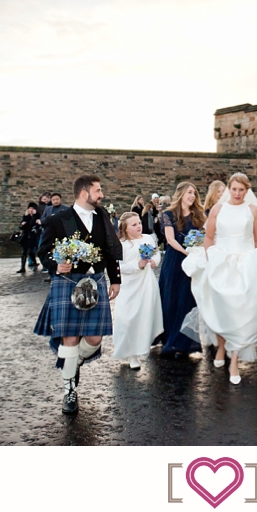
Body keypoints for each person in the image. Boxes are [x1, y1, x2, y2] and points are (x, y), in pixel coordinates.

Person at [34, 175, 122, 416]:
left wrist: (115, 279)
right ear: (85, 193)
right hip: (67, 281)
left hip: (95, 281)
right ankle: (69, 390)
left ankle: (74, 362)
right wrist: (55, 265)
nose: (101, 195)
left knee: (94, 339)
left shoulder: (102, 216)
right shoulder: (58, 220)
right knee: (70, 339)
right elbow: (43, 251)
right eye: (98, 190)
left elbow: (111, 248)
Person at [182, 173, 257, 385]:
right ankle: (221, 346)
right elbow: (209, 237)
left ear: (247, 191)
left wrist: (256, 257)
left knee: (240, 310)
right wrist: (211, 257)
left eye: (241, 190)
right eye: (234, 189)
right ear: (229, 189)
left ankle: (234, 359)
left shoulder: (252, 210)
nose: (237, 194)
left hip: (245, 261)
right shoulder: (218, 209)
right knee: (219, 306)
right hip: (221, 260)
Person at [158, 183, 204, 358]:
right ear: (181, 194)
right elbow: (170, 239)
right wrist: (187, 251)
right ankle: (170, 339)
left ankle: (183, 342)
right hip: (174, 260)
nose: (192, 196)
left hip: (192, 263)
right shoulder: (168, 215)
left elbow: (205, 236)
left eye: (194, 193)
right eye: (189, 192)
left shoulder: (198, 216)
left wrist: (197, 251)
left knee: (186, 299)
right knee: (170, 300)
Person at [113, 211, 163, 371]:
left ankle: (138, 352)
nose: (138, 227)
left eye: (139, 223)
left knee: (144, 317)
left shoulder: (148, 239)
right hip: (129, 286)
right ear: (126, 228)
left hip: (146, 284)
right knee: (127, 319)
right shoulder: (122, 244)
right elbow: (119, 266)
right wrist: (137, 265)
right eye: (134, 225)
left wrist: (154, 261)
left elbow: (157, 254)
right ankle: (128, 351)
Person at [17, 202, 42, 274]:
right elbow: (21, 227)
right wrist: (22, 225)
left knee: (30, 251)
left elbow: (32, 224)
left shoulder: (37, 216)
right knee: (23, 252)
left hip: (32, 236)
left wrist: (34, 215)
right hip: (25, 236)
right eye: (30, 208)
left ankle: (34, 262)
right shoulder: (25, 216)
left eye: (32, 208)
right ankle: (22, 267)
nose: (31, 210)